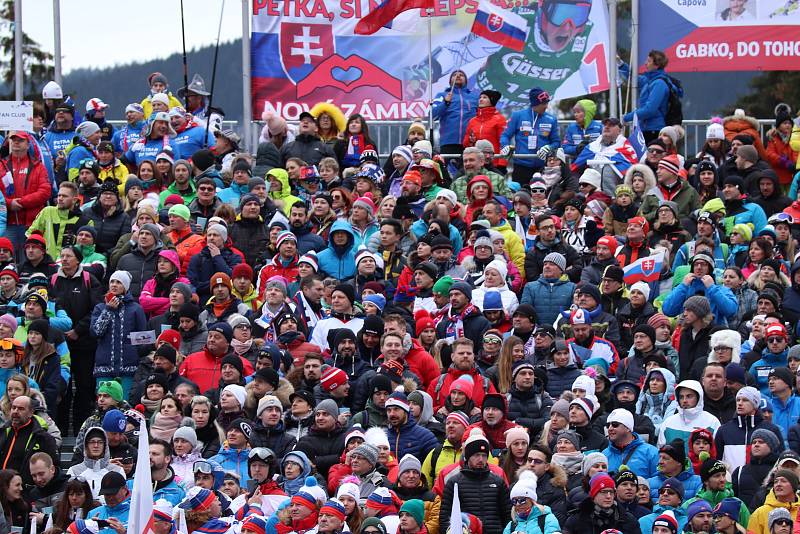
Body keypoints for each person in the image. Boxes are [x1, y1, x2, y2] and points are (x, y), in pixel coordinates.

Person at [439, 429, 511, 534]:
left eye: (484, 455)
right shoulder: (454, 482)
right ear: (468, 457)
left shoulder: (498, 482)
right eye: (476, 455)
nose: (481, 459)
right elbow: (445, 516)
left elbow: (507, 514)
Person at [1, 131, 52, 254]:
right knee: (6, 260)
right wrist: (9, 203)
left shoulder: (38, 166)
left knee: (29, 260)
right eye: (13, 140)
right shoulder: (1, 166)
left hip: (31, 224)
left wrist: (21, 202)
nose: (16, 142)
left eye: (21, 140)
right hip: (7, 223)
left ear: (28, 144)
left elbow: (45, 191)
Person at [500, 87, 560, 185]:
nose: (546, 106)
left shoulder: (551, 119)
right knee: (519, 197)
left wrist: (549, 147)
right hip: (521, 165)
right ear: (535, 104)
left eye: (547, 103)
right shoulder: (518, 116)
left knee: (540, 196)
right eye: (543, 103)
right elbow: (505, 135)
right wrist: (505, 146)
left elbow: (556, 142)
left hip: (542, 166)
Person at [623, 50, 682, 143]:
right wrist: (621, 65)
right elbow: (634, 78)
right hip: (647, 128)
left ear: (656, 65)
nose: (645, 63)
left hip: (654, 130)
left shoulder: (659, 83)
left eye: (649, 61)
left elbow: (650, 109)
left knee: (651, 156)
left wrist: (626, 118)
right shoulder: (650, 80)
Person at [0, 396, 58, 486]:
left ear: (31, 412)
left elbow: (54, 468)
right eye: (13, 407)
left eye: (21, 409)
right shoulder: (3, 432)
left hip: (27, 493)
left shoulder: (43, 438)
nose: (15, 411)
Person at [563, 472, 642, 534]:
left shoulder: (627, 519)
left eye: (611, 492)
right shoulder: (576, 520)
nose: (608, 496)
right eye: (603, 492)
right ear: (593, 494)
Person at [67, 426, 126, 499]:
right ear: (86, 445)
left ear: (105, 445)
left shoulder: (118, 471)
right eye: (92, 442)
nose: (96, 446)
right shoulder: (74, 471)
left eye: (100, 442)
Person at [431, 70, 478, 159]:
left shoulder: (475, 97)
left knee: (470, 170)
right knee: (448, 172)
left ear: (466, 81)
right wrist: (445, 103)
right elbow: (432, 115)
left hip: (470, 143)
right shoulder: (442, 95)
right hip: (448, 142)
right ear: (450, 81)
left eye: (461, 75)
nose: (458, 76)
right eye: (455, 75)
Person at [602, 408, 659, 478]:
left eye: (615, 424)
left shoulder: (651, 452)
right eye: (608, 425)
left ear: (628, 428)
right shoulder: (604, 455)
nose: (610, 428)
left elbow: (658, 480)